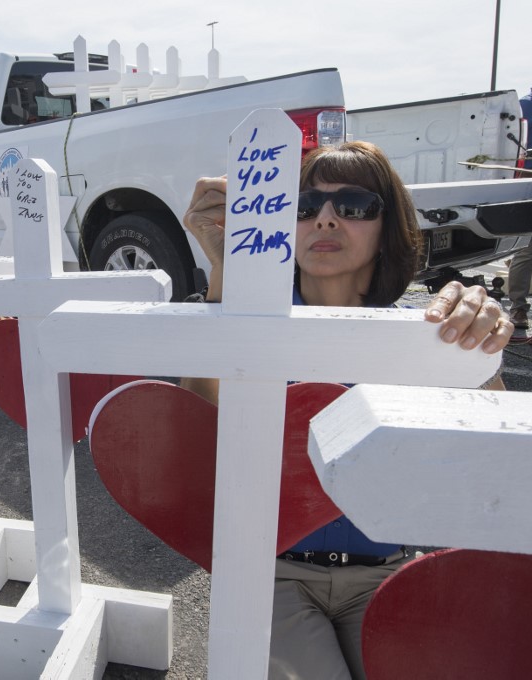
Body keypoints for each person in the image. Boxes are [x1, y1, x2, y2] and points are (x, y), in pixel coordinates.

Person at [181, 141, 512, 680]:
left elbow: (493, 452)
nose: (326, 219)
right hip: (274, 575)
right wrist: (226, 273)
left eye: (354, 206)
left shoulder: (428, 330)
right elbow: (195, 426)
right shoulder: (251, 320)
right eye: (305, 207)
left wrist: (478, 340)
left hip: (390, 572)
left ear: (390, 229)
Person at [505, 88, 532, 330]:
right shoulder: (524, 106)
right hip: (528, 188)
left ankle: (519, 308)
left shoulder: (522, 106)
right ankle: (519, 308)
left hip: (524, 187)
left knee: (525, 252)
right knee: (526, 251)